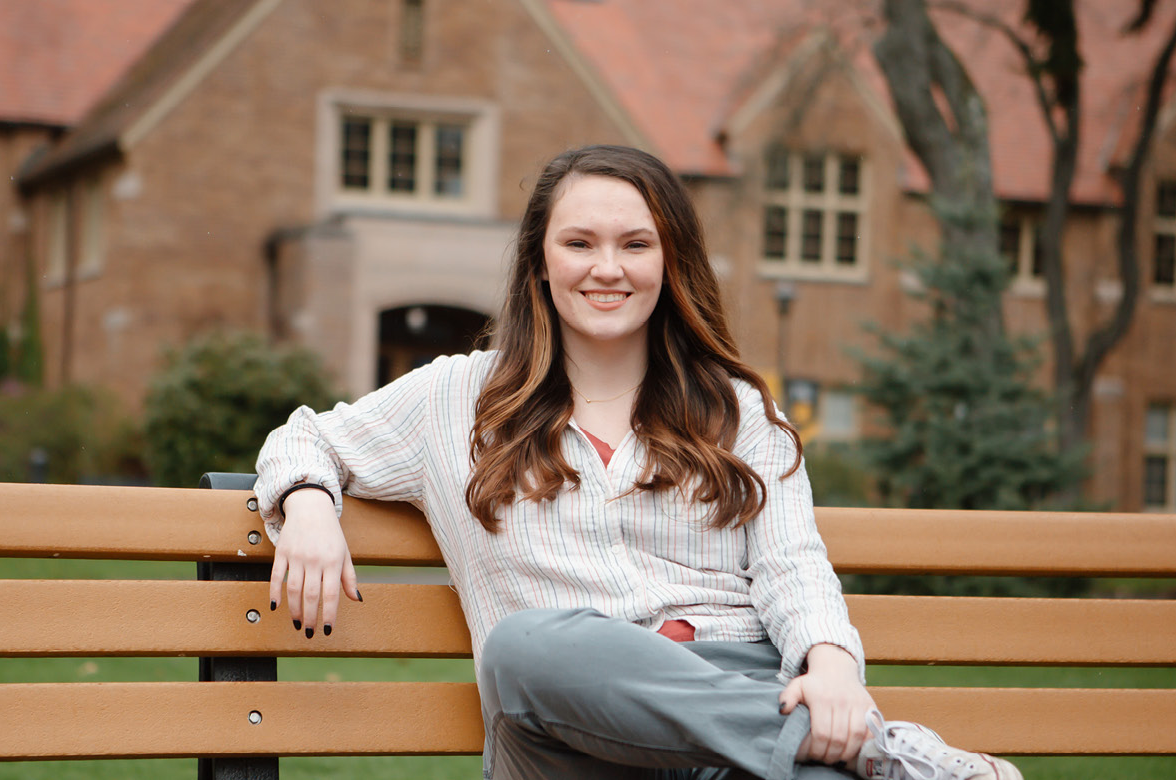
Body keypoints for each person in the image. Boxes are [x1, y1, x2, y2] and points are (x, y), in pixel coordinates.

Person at [254, 145, 1021, 780]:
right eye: (579, 243)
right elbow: (305, 437)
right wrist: (313, 507)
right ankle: (888, 761)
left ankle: (816, 751)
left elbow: (793, 565)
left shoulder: (738, 410)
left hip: (735, 696)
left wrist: (831, 670)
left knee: (778, 744)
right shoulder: (454, 398)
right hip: (561, 734)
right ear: (540, 263)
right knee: (524, 647)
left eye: (635, 244)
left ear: (670, 260)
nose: (607, 269)